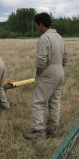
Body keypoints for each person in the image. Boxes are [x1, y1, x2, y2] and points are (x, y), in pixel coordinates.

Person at [23, 12, 68, 140]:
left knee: (38, 102)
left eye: (36, 25)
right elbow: (66, 57)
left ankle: (39, 131)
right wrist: (60, 68)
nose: (36, 28)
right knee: (54, 102)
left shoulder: (44, 38)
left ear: (41, 24)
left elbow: (41, 60)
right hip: (60, 71)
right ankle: (51, 129)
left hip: (48, 73)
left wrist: (39, 72)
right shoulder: (59, 37)